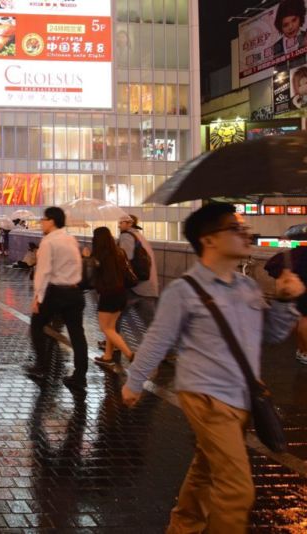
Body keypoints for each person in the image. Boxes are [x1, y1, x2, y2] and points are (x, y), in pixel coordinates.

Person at [123, 203, 304, 533]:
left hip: (242, 397)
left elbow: (271, 335)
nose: (246, 233)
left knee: (205, 472)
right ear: (209, 240)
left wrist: (286, 301)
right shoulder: (184, 291)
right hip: (206, 397)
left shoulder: (247, 287)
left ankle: (183, 527)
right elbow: (157, 340)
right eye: (235, 228)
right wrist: (134, 382)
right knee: (237, 490)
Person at [30, 207, 89, 390]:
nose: (41, 223)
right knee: (77, 335)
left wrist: (38, 297)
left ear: (52, 221)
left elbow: (43, 272)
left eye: (43, 219)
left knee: (37, 325)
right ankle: (80, 376)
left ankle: (42, 366)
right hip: (75, 292)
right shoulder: (71, 239)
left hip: (55, 292)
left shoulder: (48, 242)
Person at [89, 227, 134, 367]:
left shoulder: (100, 255)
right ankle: (108, 356)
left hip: (108, 295)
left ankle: (130, 355)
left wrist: (87, 257)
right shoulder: (120, 252)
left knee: (106, 328)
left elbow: (93, 273)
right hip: (121, 293)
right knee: (111, 327)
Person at [264, 246, 307, 365]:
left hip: (298, 283)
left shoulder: (300, 251)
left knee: (301, 317)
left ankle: (302, 351)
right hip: (302, 283)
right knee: (305, 319)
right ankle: (305, 352)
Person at [118, 214, 159, 327]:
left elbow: (125, 259)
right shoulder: (139, 236)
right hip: (148, 284)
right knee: (151, 323)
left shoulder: (126, 236)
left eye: (121, 223)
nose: (119, 225)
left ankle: (111, 337)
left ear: (129, 223)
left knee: (115, 317)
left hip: (135, 286)